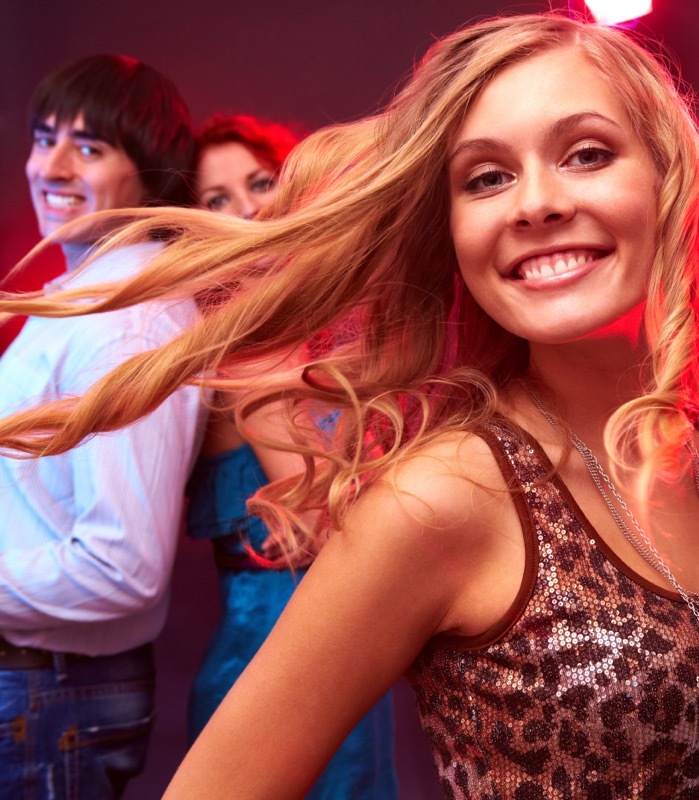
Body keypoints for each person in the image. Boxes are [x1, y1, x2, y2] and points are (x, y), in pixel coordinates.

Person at [0, 14, 699, 799]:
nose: (535, 201)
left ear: (671, 179)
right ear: (454, 231)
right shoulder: (448, 492)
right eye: (486, 176)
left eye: (586, 153)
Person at [0, 54, 205, 798]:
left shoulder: (127, 323)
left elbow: (122, 566)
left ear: (147, 173)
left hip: (50, 697)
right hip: (40, 691)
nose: (50, 166)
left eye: (88, 148)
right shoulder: (87, 302)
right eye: (43, 137)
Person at [185, 113, 399, 797]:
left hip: (329, 652)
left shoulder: (302, 332)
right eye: (216, 199)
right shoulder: (246, 346)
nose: (247, 209)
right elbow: (328, 523)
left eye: (259, 182)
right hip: (281, 664)